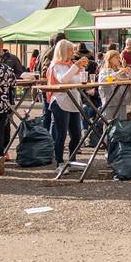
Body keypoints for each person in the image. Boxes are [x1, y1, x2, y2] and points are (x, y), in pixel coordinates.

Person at [47, 39, 88, 167]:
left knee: (76, 134)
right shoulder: (56, 65)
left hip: (73, 101)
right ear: (64, 51)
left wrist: (80, 68)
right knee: (61, 134)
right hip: (60, 101)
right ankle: (59, 162)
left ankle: (72, 159)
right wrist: (76, 67)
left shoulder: (71, 64)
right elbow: (63, 79)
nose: (73, 52)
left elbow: (79, 80)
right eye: (71, 50)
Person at [98, 49, 131, 122]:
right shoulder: (105, 71)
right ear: (110, 59)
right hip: (110, 102)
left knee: (121, 126)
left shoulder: (121, 70)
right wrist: (118, 73)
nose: (119, 59)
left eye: (119, 57)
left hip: (122, 101)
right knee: (109, 125)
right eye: (116, 57)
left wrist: (129, 72)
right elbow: (104, 80)